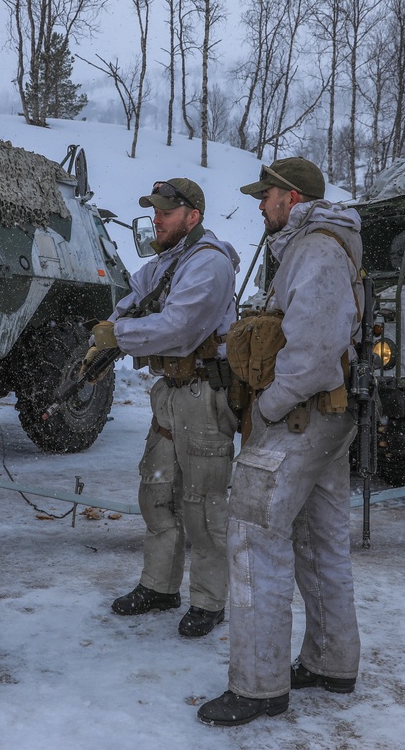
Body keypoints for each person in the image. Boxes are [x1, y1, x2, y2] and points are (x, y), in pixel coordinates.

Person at [198, 158, 363, 726]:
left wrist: (266, 408)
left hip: (297, 418)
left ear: (290, 198)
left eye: (264, 194)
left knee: (252, 539)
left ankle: (258, 685)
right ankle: (330, 663)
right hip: (325, 420)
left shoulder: (314, 249)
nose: (259, 204)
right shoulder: (317, 246)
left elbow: (313, 354)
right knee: (321, 545)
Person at [91, 178, 239, 638]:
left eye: (166, 213)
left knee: (202, 504)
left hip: (203, 393)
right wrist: (108, 332)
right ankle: (159, 586)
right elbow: (131, 301)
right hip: (171, 393)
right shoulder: (165, 263)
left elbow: (179, 328)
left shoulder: (208, 264)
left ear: (192, 217)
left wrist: (118, 336)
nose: (157, 219)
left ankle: (210, 601)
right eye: (155, 211)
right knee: (156, 493)